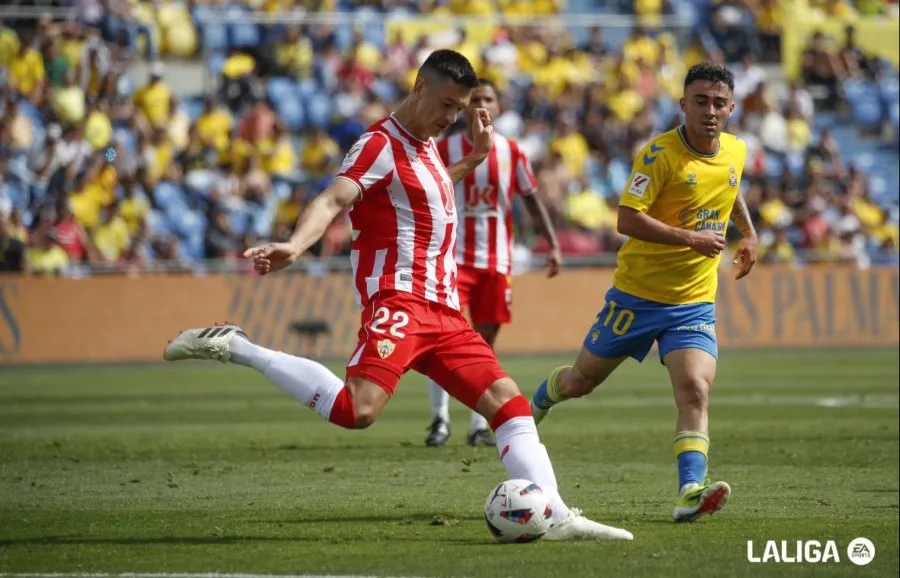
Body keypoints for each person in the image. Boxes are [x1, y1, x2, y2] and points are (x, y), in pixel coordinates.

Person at [163, 49, 632, 542]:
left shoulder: (429, 146)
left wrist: (472, 158)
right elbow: (333, 198)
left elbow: (426, 189)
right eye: (447, 104)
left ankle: (556, 513)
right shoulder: (377, 144)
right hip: (399, 302)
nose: (451, 118)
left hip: (445, 310)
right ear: (419, 87)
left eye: (460, 109)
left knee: (508, 404)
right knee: (356, 411)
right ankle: (239, 346)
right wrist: (296, 246)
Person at [530, 62, 759, 523]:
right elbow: (626, 219)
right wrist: (692, 238)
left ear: (731, 108)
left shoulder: (735, 150)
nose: (710, 111)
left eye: (718, 103)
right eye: (700, 101)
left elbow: (730, 190)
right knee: (580, 382)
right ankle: (536, 404)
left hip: (692, 300)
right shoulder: (658, 156)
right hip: (636, 298)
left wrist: (748, 233)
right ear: (683, 105)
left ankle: (690, 490)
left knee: (695, 388)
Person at [426, 79, 561, 447]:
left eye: (489, 98)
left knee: (484, 344)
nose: (482, 104)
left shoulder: (512, 152)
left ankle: (478, 425)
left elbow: (531, 200)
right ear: (465, 107)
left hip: (497, 261)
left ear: (498, 107)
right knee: (440, 339)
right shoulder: (445, 147)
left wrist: (551, 243)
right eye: (476, 99)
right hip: (452, 259)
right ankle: (439, 420)